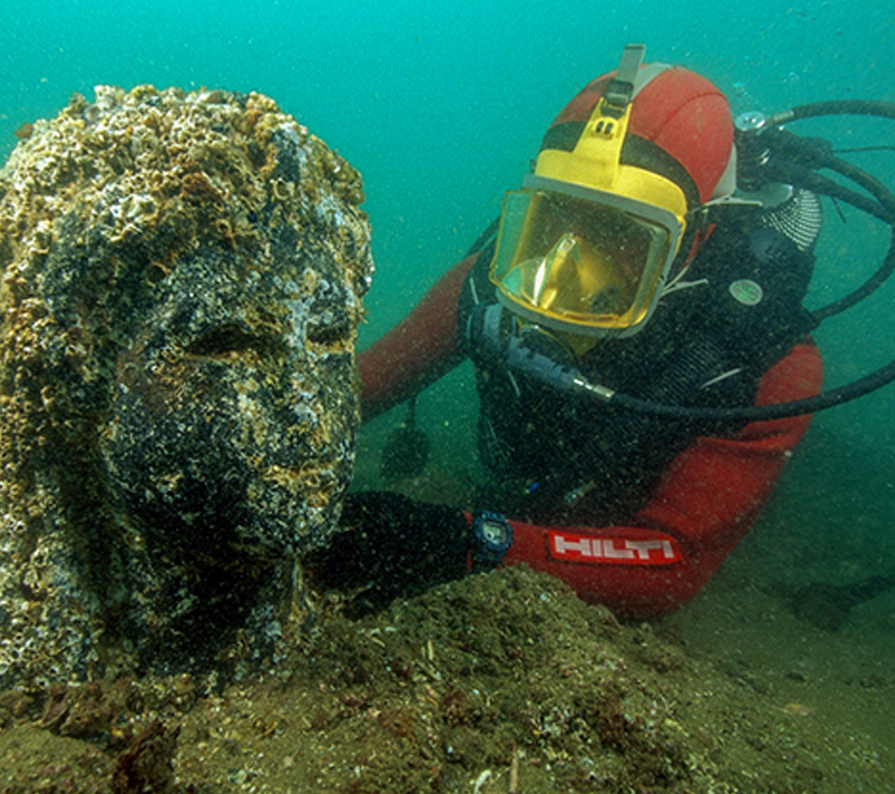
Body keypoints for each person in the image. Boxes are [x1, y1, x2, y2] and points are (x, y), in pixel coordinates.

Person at [325, 45, 825, 619]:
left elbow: (673, 562)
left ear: (694, 240)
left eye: (618, 236)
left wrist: (467, 542)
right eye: (554, 221)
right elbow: (353, 393)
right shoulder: (490, 282)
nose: (561, 272)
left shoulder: (766, 363)